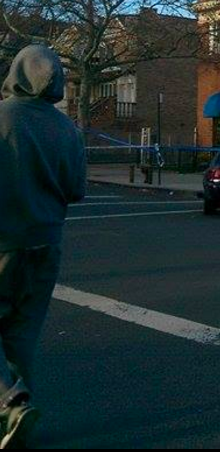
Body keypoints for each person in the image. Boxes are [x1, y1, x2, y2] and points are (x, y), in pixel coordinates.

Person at [0, 45, 86, 448]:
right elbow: (76, 190)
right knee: (22, 337)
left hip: (4, 241)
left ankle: (11, 403)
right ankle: (16, 421)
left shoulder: (3, 118)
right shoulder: (68, 129)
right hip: (46, 243)